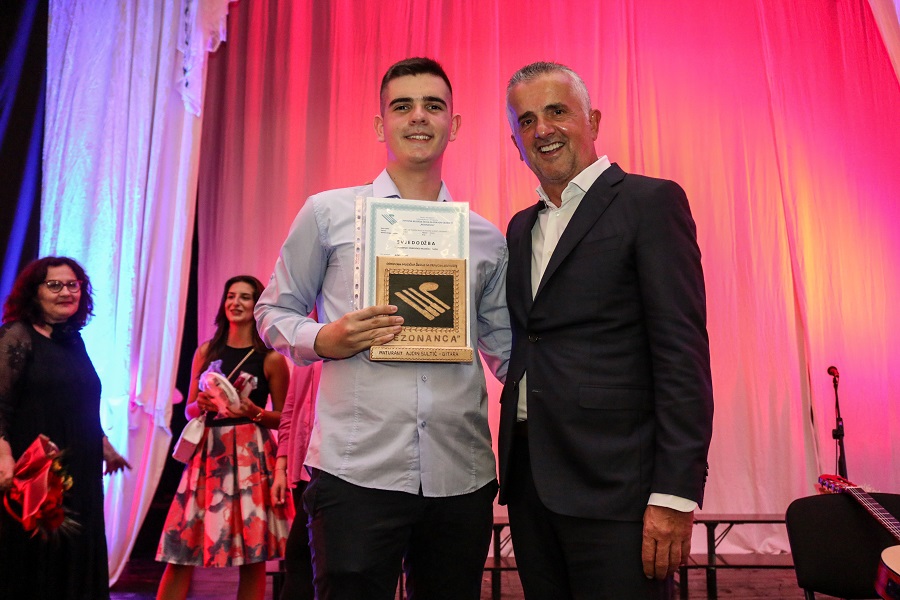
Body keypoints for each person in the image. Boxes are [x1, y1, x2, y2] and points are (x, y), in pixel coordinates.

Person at [255, 57, 510, 600]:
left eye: (433, 106)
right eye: (402, 106)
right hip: (355, 473)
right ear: (380, 125)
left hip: (460, 474)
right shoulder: (327, 214)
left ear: (453, 125)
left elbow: (506, 350)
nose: (418, 117)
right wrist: (325, 339)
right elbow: (273, 311)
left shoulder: (486, 238)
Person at [498, 61, 715, 599]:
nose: (542, 129)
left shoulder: (650, 203)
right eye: (527, 120)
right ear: (515, 142)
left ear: (592, 120)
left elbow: (682, 356)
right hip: (530, 488)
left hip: (620, 492)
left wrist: (675, 494)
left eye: (557, 111)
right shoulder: (520, 228)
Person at [0, 256, 131, 599]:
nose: (66, 292)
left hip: (81, 469)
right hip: (36, 471)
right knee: (38, 558)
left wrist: (105, 445)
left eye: (73, 285)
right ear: (34, 292)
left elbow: (78, 401)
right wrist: (3, 456)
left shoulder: (74, 340)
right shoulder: (17, 335)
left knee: (76, 554)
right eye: (54, 285)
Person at [156, 275, 292, 600]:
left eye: (245, 297)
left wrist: (253, 411)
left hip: (251, 455)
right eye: (231, 296)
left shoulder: (271, 358)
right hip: (208, 454)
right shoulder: (207, 351)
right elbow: (189, 409)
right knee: (181, 546)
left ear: (257, 306)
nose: (236, 302)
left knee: (253, 553)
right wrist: (199, 404)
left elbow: (286, 419)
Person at [270, 359, 320, 600]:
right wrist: (281, 467)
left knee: (300, 554)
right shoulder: (305, 348)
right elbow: (290, 409)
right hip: (301, 466)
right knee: (303, 558)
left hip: (330, 465)